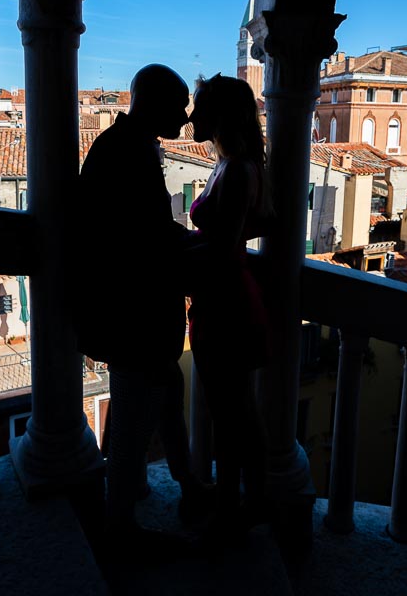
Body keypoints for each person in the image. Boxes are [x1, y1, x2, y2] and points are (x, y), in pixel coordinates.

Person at [77, 63, 210, 546]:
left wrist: (184, 240)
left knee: (168, 391)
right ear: (154, 104)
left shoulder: (123, 146)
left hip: (128, 311)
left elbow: (141, 228)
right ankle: (120, 528)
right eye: (179, 107)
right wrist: (192, 245)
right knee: (133, 419)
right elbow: (139, 237)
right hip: (133, 314)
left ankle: (186, 482)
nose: (186, 115)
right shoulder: (128, 152)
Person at [186, 73, 272, 539]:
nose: (191, 117)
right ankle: (249, 501)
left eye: (199, 108)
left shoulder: (237, 170)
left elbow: (222, 247)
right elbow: (236, 234)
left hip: (225, 305)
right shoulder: (232, 165)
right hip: (225, 297)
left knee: (230, 414)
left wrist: (175, 255)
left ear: (219, 115)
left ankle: (232, 507)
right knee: (238, 410)